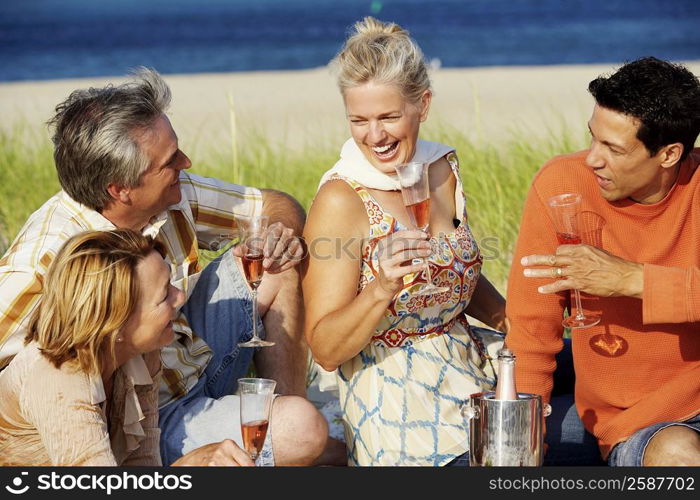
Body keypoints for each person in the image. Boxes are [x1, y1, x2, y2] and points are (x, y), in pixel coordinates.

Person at [0, 69, 329, 466]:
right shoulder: (42, 263)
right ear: (120, 188)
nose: (186, 162)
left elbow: (276, 204)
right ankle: (292, 443)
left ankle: (293, 436)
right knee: (301, 431)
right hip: (142, 421)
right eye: (171, 161)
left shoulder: (172, 190)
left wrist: (279, 234)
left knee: (274, 264)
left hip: (189, 357)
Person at [302, 17, 507, 466]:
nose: (374, 136)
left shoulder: (441, 167)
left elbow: (458, 275)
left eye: (388, 117)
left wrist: (511, 320)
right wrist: (380, 288)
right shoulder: (341, 198)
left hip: (474, 372)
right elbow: (326, 348)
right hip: (398, 405)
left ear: (423, 105)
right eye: (359, 120)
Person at [507, 57, 700, 466]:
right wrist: (525, 447)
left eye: (612, 148)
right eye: (593, 138)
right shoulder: (562, 183)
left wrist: (631, 280)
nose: (593, 159)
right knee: (678, 455)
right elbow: (531, 331)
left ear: (668, 154)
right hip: (646, 425)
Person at [0, 229, 255, 465]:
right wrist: (187, 466)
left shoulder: (140, 352)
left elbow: (142, 461)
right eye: (164, 295)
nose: (179, 297)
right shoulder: (59, 380)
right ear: (116, 325)